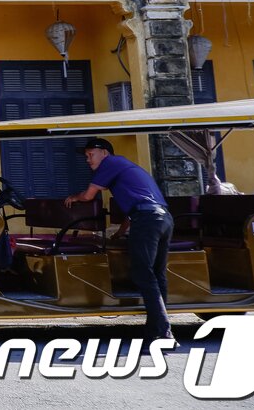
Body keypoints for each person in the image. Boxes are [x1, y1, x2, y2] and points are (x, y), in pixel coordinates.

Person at [64, 137, 174, 342]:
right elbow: (134, 208)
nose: (88, 159)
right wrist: (120, 232)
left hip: (148, 220)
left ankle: (162, 332)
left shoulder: (110, 163)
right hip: (163, 218)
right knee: (157, 275)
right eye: (86, 156)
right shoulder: (123, 167)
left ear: (104, 152)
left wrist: (74, 197)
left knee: (144, 275)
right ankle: (158, 330)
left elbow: (88, 196)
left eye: (91, 154)